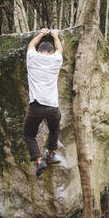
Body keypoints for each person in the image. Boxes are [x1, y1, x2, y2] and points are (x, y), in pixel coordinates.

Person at [23, 28, 63, 177]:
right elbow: (59, 48)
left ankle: (39, 161)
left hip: (36, 107)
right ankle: (51, 153)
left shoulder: (32, 58)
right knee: (54, 128)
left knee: (28, 135)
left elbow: (30, 46)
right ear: (51, 52)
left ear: (39, 51)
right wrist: (55, 35)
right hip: (53, 107)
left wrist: (41, 34)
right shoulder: (56, 60)